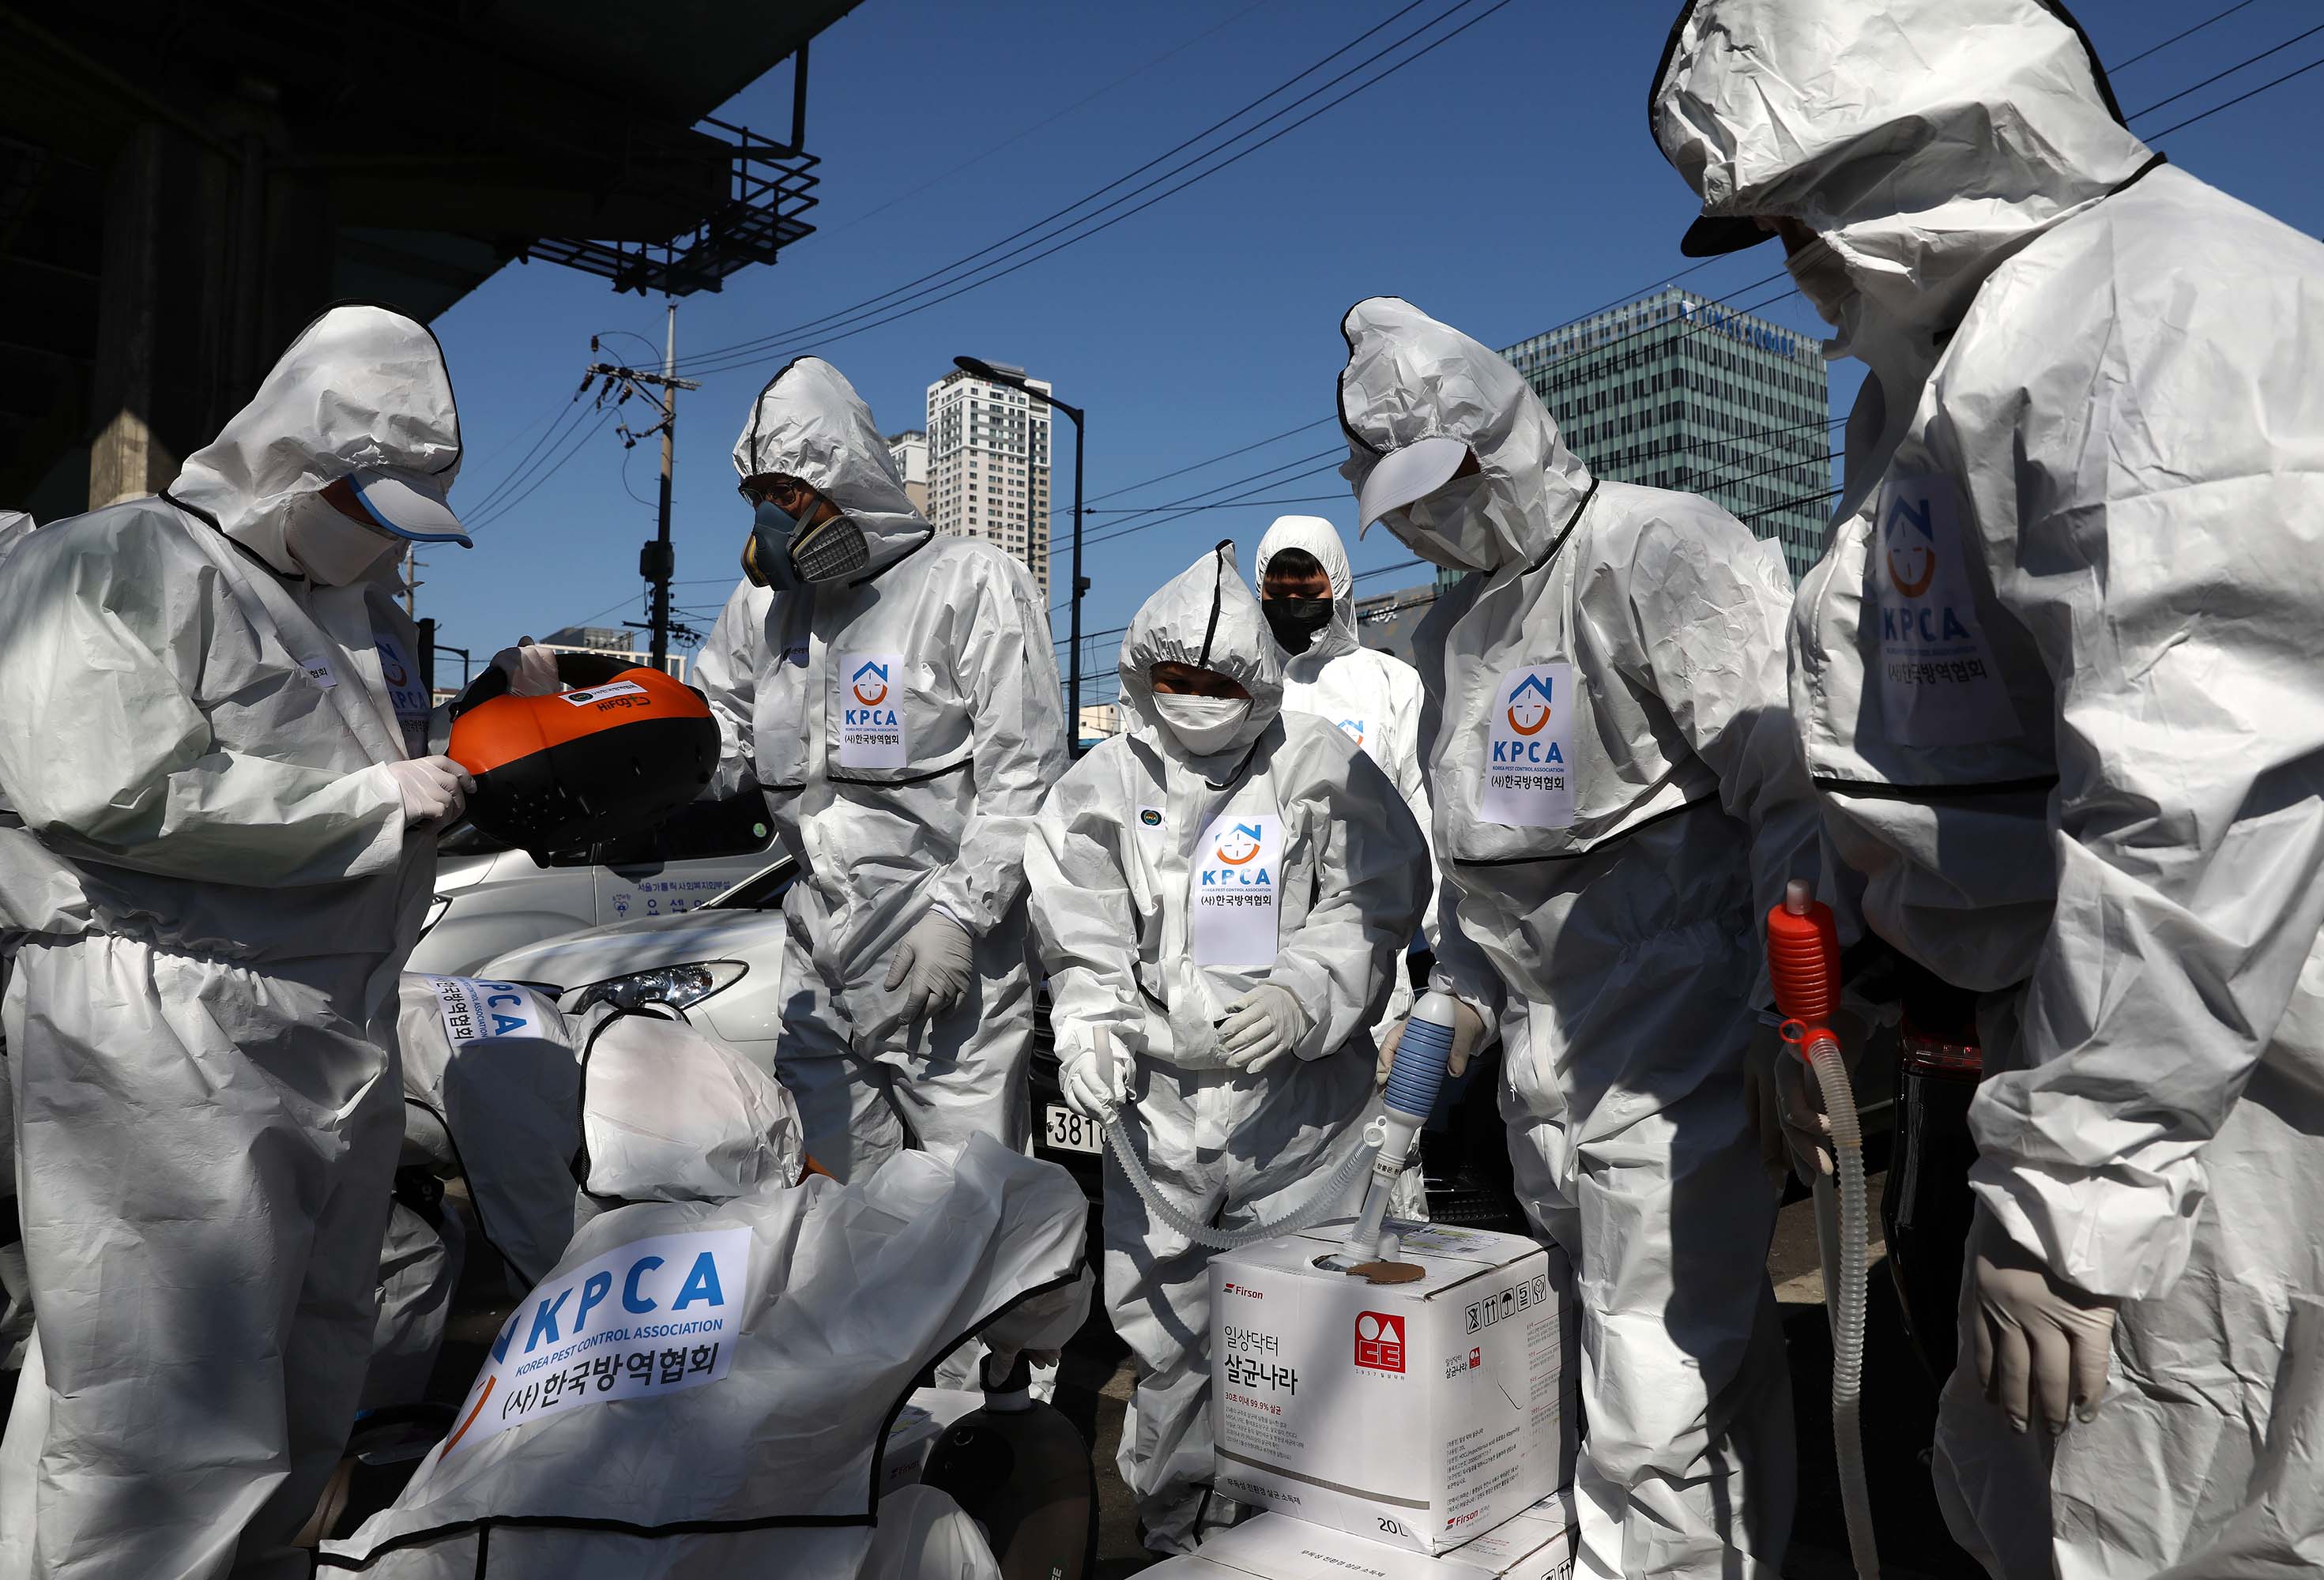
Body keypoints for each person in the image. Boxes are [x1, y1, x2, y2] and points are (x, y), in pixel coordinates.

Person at [1653, 2, 2324, 1574]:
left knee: (2218, 1515)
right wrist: (1831, 960)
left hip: (2239, 1086)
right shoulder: (1954, 364)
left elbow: (2200, 802)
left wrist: (2074, 1191)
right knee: (2063, 1510)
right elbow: (1914, 733)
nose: (1791, 255)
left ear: (1921, 143)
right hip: (2072, 1059)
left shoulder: (2167, 315)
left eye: (1794, 210)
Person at [1339, 295, 1818, 1578]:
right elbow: (1483, 930)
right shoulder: (1455, 637)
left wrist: (1801, 1020)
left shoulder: (1662, 554)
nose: (1436, 522)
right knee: (1627, 1398)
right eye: (1408, 502)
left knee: (1656, 1415)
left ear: (1506, 439)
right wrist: (1411, 1095)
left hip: (1685, 1083)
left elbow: (1789, 804)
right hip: (1546, 1102)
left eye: (1447, 486)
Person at [0, 304, 483, 1579]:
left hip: (308, 1057)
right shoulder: (131, 559)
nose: (380, 542)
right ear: (294, 460)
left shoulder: (329, 613)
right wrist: (363, 807)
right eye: (365, 505)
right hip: (164, 1052)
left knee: (283, 1419)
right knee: (159, 1450)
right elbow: (108, 787)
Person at [508, 356, 1064, 1184]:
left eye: (790, 491)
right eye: (757, 493)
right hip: (818, 955)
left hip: (942, 956)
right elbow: (716, 738)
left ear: (852, 481)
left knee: (975, 1204)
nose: (771, 514)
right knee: (831, 1195)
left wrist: (961, 915)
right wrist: (593, 740)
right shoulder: (765, 607)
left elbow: (1027, 777)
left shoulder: (973, 583)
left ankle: (981, 1320)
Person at [1027, 541, 1429, 1553]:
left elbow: (1377, 897)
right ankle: (1177, 1535)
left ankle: (1307, 1534)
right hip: (1157, 1110)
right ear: (1143, 674)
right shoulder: (1103, 781)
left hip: (1296, 1108)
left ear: (1257, 686)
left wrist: (1308, 994)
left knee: (1307, 1335)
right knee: (1169, 1345)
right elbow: (1080, 928)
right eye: (1177, 680)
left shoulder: (1318, 764)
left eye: (1218, 682)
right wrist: (1094, 1027)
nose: (1197, 699)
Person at [1252, 514, 1434, 1029]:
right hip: (1252, 947)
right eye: (1277, 587)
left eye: (1307, 586)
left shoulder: (1390, 686)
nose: (1292, 600)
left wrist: (1444, 969)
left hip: (1367, 950)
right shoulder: (1249, 689)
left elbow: (1425, 822)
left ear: (1339, 584)